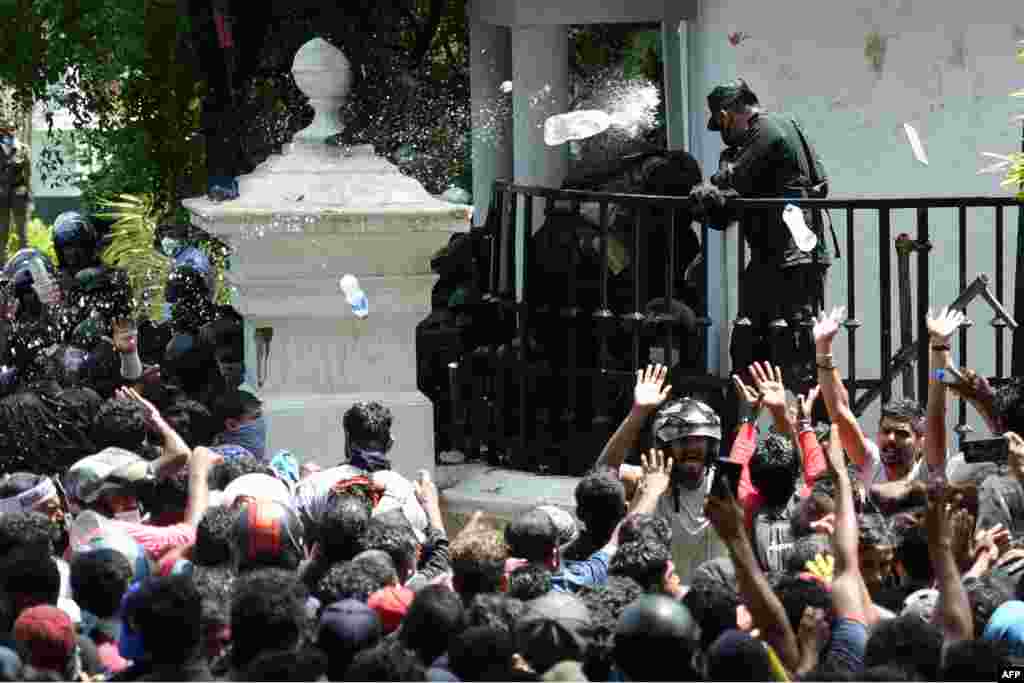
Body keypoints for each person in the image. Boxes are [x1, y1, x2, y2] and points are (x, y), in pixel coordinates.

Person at [690, 78, 833, 390]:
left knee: (795, 358)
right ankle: (750, 428)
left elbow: (730, 186)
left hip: (788, 260)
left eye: (722, 127)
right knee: (752, 354)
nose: (725, 139)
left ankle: (819, 431)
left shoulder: (766, 131)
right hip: (784, 257)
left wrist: (708, 190)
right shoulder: (786, 125)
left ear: (726, 114)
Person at [595, 363, 728, 581]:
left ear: (712, 445)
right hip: (664, 603)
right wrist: (638, 413)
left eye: (699, 440)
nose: (692, 448)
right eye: (683, 441)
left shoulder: (726, 482)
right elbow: (601, 476)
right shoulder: (649, 481)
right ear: (664, 446)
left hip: (713, 604)